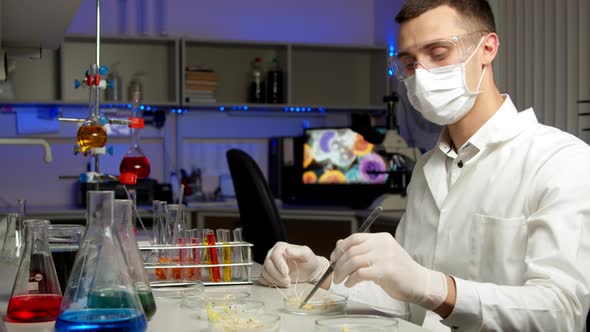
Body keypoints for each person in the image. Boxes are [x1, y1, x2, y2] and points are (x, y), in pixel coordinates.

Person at [259, 0, 590, 331]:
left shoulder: (561, 161)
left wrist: (431, 286)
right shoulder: (427, 170)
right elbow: (405, 300)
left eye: (439, 53)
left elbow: (562, 311)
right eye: (409, 63)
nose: (422, 76)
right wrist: (320, 274)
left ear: (487, 48)